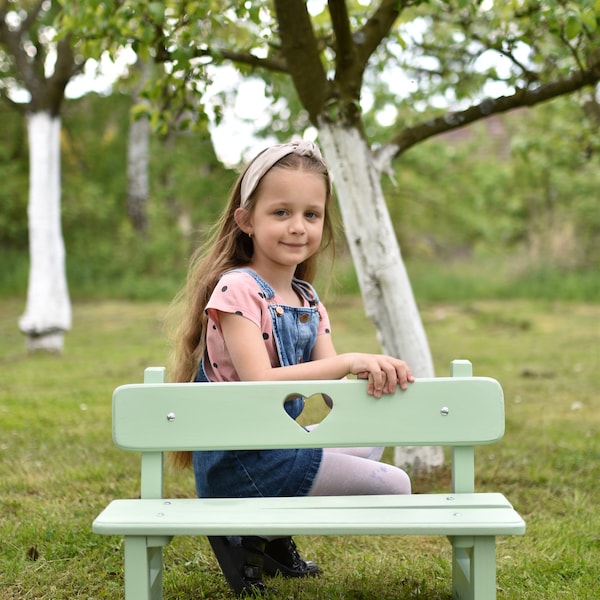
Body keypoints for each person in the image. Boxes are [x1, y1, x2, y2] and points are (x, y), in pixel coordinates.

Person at [168, 140, 414, 597]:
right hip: (241, 460)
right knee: (395, 484)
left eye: (311, 214)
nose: (298, 227)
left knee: (374, 432)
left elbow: (329, 388)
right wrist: (349, 360)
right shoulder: (237, 290)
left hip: (279, 447)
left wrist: (371, 374)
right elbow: (260, 384)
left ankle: (269, 535)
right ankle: (246, 533)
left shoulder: (307, 299)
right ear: (246, 220)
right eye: (281, 212)